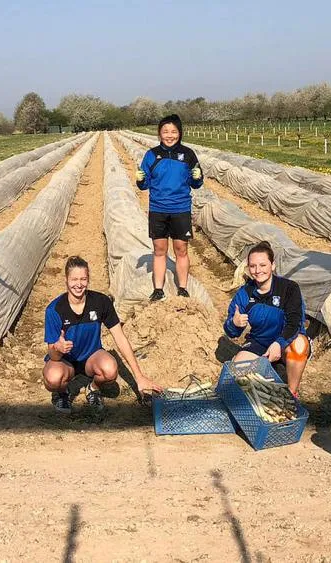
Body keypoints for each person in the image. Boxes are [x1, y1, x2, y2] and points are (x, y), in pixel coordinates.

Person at [43, 256, 163, 413]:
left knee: (110, 370)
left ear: (88, 279)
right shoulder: (55, 309)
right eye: (74, 279)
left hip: (91, 357)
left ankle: (93, 388)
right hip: (65, 361)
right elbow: (53, 355)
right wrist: (58, 348)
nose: (79, 284)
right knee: (53, 378)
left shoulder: (101, 302)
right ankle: (62, 393)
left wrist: (139, 376)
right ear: (66, 280)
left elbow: (119, 337)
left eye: (83, 279)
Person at [223, 241, 310, 396]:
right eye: (253, 266)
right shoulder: (245, 292)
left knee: (299, 346)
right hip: (260, 342)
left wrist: (279, 343)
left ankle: (292, 393)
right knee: (238, 369)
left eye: (263, 265)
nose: (257, 271)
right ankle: (264, 386)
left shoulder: (289, 288)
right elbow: (231, 332)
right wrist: (234, 324)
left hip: (286, 342)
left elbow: (294, 323)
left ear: (273, 265)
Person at [135, 114, 204, 301]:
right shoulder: (151, 155)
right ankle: (158, 289)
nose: (169, 135)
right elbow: (144, 184)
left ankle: (182, 287)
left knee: (181, 249)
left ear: (180, 133)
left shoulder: (188, 154)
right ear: (159, 133)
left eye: (173, 131)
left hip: (180, 208)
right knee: (159, 249)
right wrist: (140, 180)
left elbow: (195, 183)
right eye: (165, 131)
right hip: (158, 208)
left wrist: (197, 177)